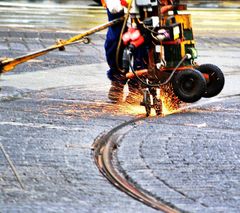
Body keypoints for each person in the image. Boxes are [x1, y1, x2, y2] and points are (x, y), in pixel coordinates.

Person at [102, 0, 148, 103]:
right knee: (114, 42)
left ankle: (136, 85)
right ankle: (117, 81)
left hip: (142, 12)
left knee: (142, 45)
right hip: (119, 9)